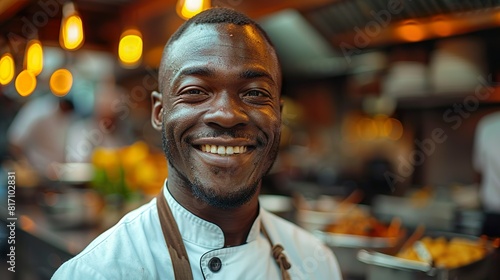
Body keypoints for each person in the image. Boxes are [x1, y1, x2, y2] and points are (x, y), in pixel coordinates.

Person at [52, 7, 342, 279]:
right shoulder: (98, 271)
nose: (227, 115)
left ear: (278, 114)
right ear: (159, 112)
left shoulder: (317, 263)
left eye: (254, 93)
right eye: (195, 91)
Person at [473, 111, 500, 237]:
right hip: (493, 215)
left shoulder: (487, 125)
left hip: (493, 214)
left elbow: (479, 170)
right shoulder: (487, 125)